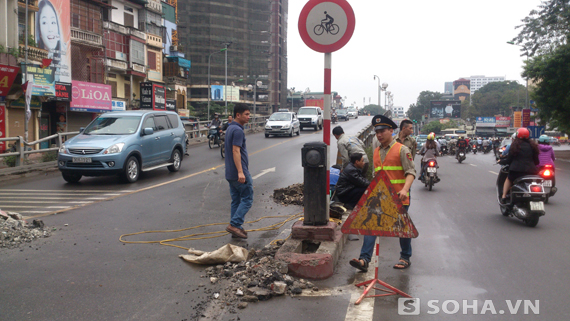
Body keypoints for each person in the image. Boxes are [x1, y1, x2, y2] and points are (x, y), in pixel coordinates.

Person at [350, 115, 416, 272]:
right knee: (371, 225)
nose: (379, 135)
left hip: (400, 197)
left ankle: (405, 257)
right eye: (377, 132)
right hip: (381, 198)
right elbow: (376, 175)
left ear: (391, 131)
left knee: (402, 228)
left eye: (382, 131)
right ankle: (364, 260)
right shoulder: (376, 152)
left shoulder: (402, 149)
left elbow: (411, 172)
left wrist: (405, 189)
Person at [224, 104, 252, 239]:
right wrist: (241, 172)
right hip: (238, 172)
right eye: (246, 114)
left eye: (249, 114)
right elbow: (236, 151)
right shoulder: (238, 131)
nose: (249, 117)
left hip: (229, 173)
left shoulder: (230, 128)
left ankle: (236, 227)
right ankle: (235, 224)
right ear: (238, 115)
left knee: (236, 200)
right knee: (247, 199)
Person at [498, 128, 540, 203]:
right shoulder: (533, 146)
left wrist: (501, 161)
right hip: (531, 172)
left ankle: (504, 196)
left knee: (508, 179)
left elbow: (508, 160)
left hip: (516, 171)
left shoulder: (514, 146)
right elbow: (536, 162)